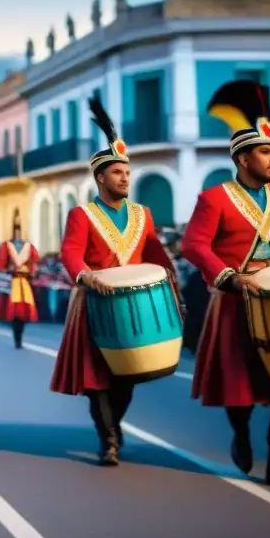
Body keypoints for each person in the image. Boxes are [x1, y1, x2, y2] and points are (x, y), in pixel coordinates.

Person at [182, 80, 270, 491]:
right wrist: (228, 276)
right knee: (240, 386)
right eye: (266, 151)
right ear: (243, 158)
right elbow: (194, 244)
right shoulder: (215, 198)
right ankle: (241, 433)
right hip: (236, 297)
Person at [49, 93, 178, 466]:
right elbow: (70, 252)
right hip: (94, 302)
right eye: (118, 173)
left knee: (126, 378)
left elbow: (153, 252)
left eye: (128, 172)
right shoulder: (82, 214)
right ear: (101, 177)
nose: (125, 178)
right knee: (97, 380)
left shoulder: (144, 213)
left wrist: (170, 279)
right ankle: (108, 439)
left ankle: (113, 426)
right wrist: (87, 276)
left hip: (135, 303)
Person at [0, 218, 40, 348]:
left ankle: (20, 336)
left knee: (23, 312)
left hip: (24, 282)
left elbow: (34, 263)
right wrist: (8, 270)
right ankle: (17, 338)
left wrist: (31, 271)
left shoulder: (28, 246)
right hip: (12, 282)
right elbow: (1, 265)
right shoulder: (7, 246)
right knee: (14, 313)